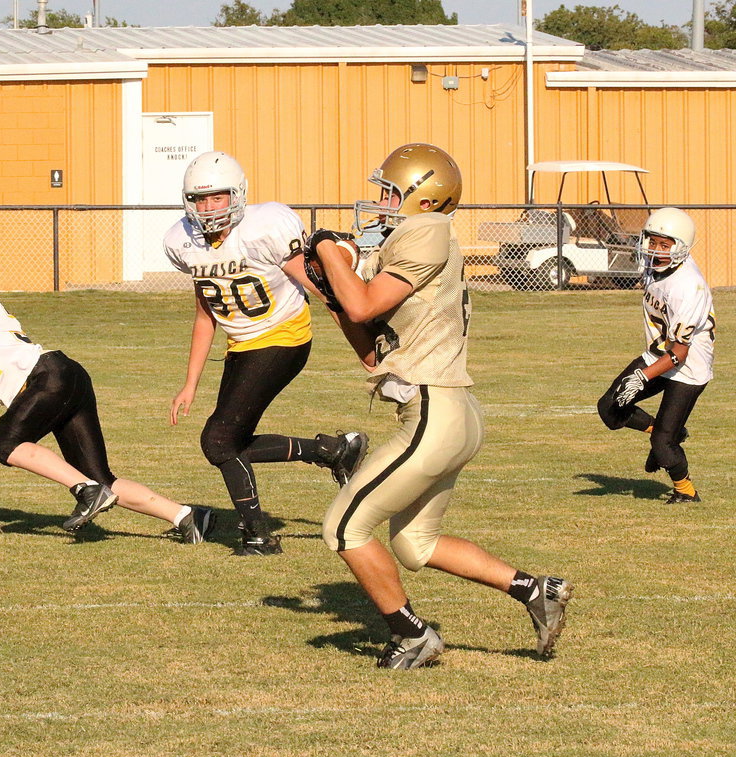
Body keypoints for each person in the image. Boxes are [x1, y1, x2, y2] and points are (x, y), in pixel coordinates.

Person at [306, 143, 572, 669]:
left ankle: (414, 636)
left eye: (390, 192)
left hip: (434, 410)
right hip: (449, 409)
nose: (380, 202)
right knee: (415, 546)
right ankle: (535, 590)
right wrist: (327, 284)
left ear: (424, 199)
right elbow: (367, 344)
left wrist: (333, 256)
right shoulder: (416, 239)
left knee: (344, 527)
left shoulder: (426, 231)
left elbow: (361, 301)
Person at [0, 275, 215, 542]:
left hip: (47, 377)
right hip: (61, 380)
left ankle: (86, 492)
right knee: (101, 478)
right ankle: (187, 516)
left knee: (4, 445)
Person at [164, 150, 369, 556]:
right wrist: (189, 384)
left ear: (237, 195)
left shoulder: (265, 226)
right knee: (228, 442)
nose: (208, 208)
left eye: (217, 198)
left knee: (218, 441)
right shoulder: (181, 240)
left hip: (284, 338)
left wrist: (363, 343)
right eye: (200, 199)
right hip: (241, 346)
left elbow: (320, 287)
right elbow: (206, 313)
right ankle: (333, 450)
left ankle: (257, 532)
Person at [596, 207, 714, 504]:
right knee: (610, 407)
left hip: (688, 367)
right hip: (658, 353)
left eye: (665, 245)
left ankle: (686, 492)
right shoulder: (655, 266)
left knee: (662, 445)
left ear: (682, 247)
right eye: (652, 241)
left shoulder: (689, 286)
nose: (656, 250)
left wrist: (642, 377)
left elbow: (680, 353)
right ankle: (668, 429)